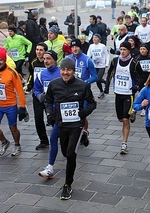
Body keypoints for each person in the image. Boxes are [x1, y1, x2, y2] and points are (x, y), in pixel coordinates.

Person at [44, 57, 97, 200]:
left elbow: (92, 104)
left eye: (68, 70)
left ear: (73, 71)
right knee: (65, 152)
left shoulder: (82, 85)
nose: (65, 72)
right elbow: (48, 100)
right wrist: (49, 113)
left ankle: (67, 184)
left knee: (70, 153)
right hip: (61, 124)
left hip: (76, 125)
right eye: (63, 69)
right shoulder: (54, 85)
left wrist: (83, 113)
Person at [104, 41, 143, 154]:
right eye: (121, 50)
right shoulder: (115, 61)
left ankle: (124, 144)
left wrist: (137, 86)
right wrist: (106, 87)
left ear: (129, 50)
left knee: (125, 120)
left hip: (128, 94)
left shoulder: (134, 63)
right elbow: (110, 73)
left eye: (124, 50)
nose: (122, 52)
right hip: (118, 93)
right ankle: (132, 112)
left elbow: (142, 76)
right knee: (121, 118)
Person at [36, 50, 61, 180]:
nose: (46, 61)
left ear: (55, 60)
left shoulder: (62, 73)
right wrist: (39, 95)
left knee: (53, 138)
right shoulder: (41, 74)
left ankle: (50, 167)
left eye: (49, 58)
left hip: (62, 112)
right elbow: (37, 88)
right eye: (44, 58)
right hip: (50, 110)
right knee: (56, 137)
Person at [29, 43, 51, 150]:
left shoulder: (49, 62)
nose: (38, 52)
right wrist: (29, 86)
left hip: (49, 95)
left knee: (52, 118)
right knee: (38, 118)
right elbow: (31, 75)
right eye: (37, 50)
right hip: (37, 94)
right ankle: (43, 141)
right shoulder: (33, 62)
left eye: (41, 50)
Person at [134, 43, 150, 116]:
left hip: (148, 77)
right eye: (141, 49)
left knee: (147, 92)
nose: (142, 51)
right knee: (141, 92)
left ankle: (144, 109)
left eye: (144, 49)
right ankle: (139, 106)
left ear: (147, 50)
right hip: (140, 78)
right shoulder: (137, 58)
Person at [87, 34, 110, 98]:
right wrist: (87, 63)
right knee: (96, 79)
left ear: (99, 39)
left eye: (96, 37)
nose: (94, 39)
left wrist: (107, 63)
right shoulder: (91, 46)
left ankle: (104, 82)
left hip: (102, 66)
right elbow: (88, 55)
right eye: (93, 37)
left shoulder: (102, 46)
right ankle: (101, 91)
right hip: (94, 65)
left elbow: (107, 55)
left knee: (98, 79)